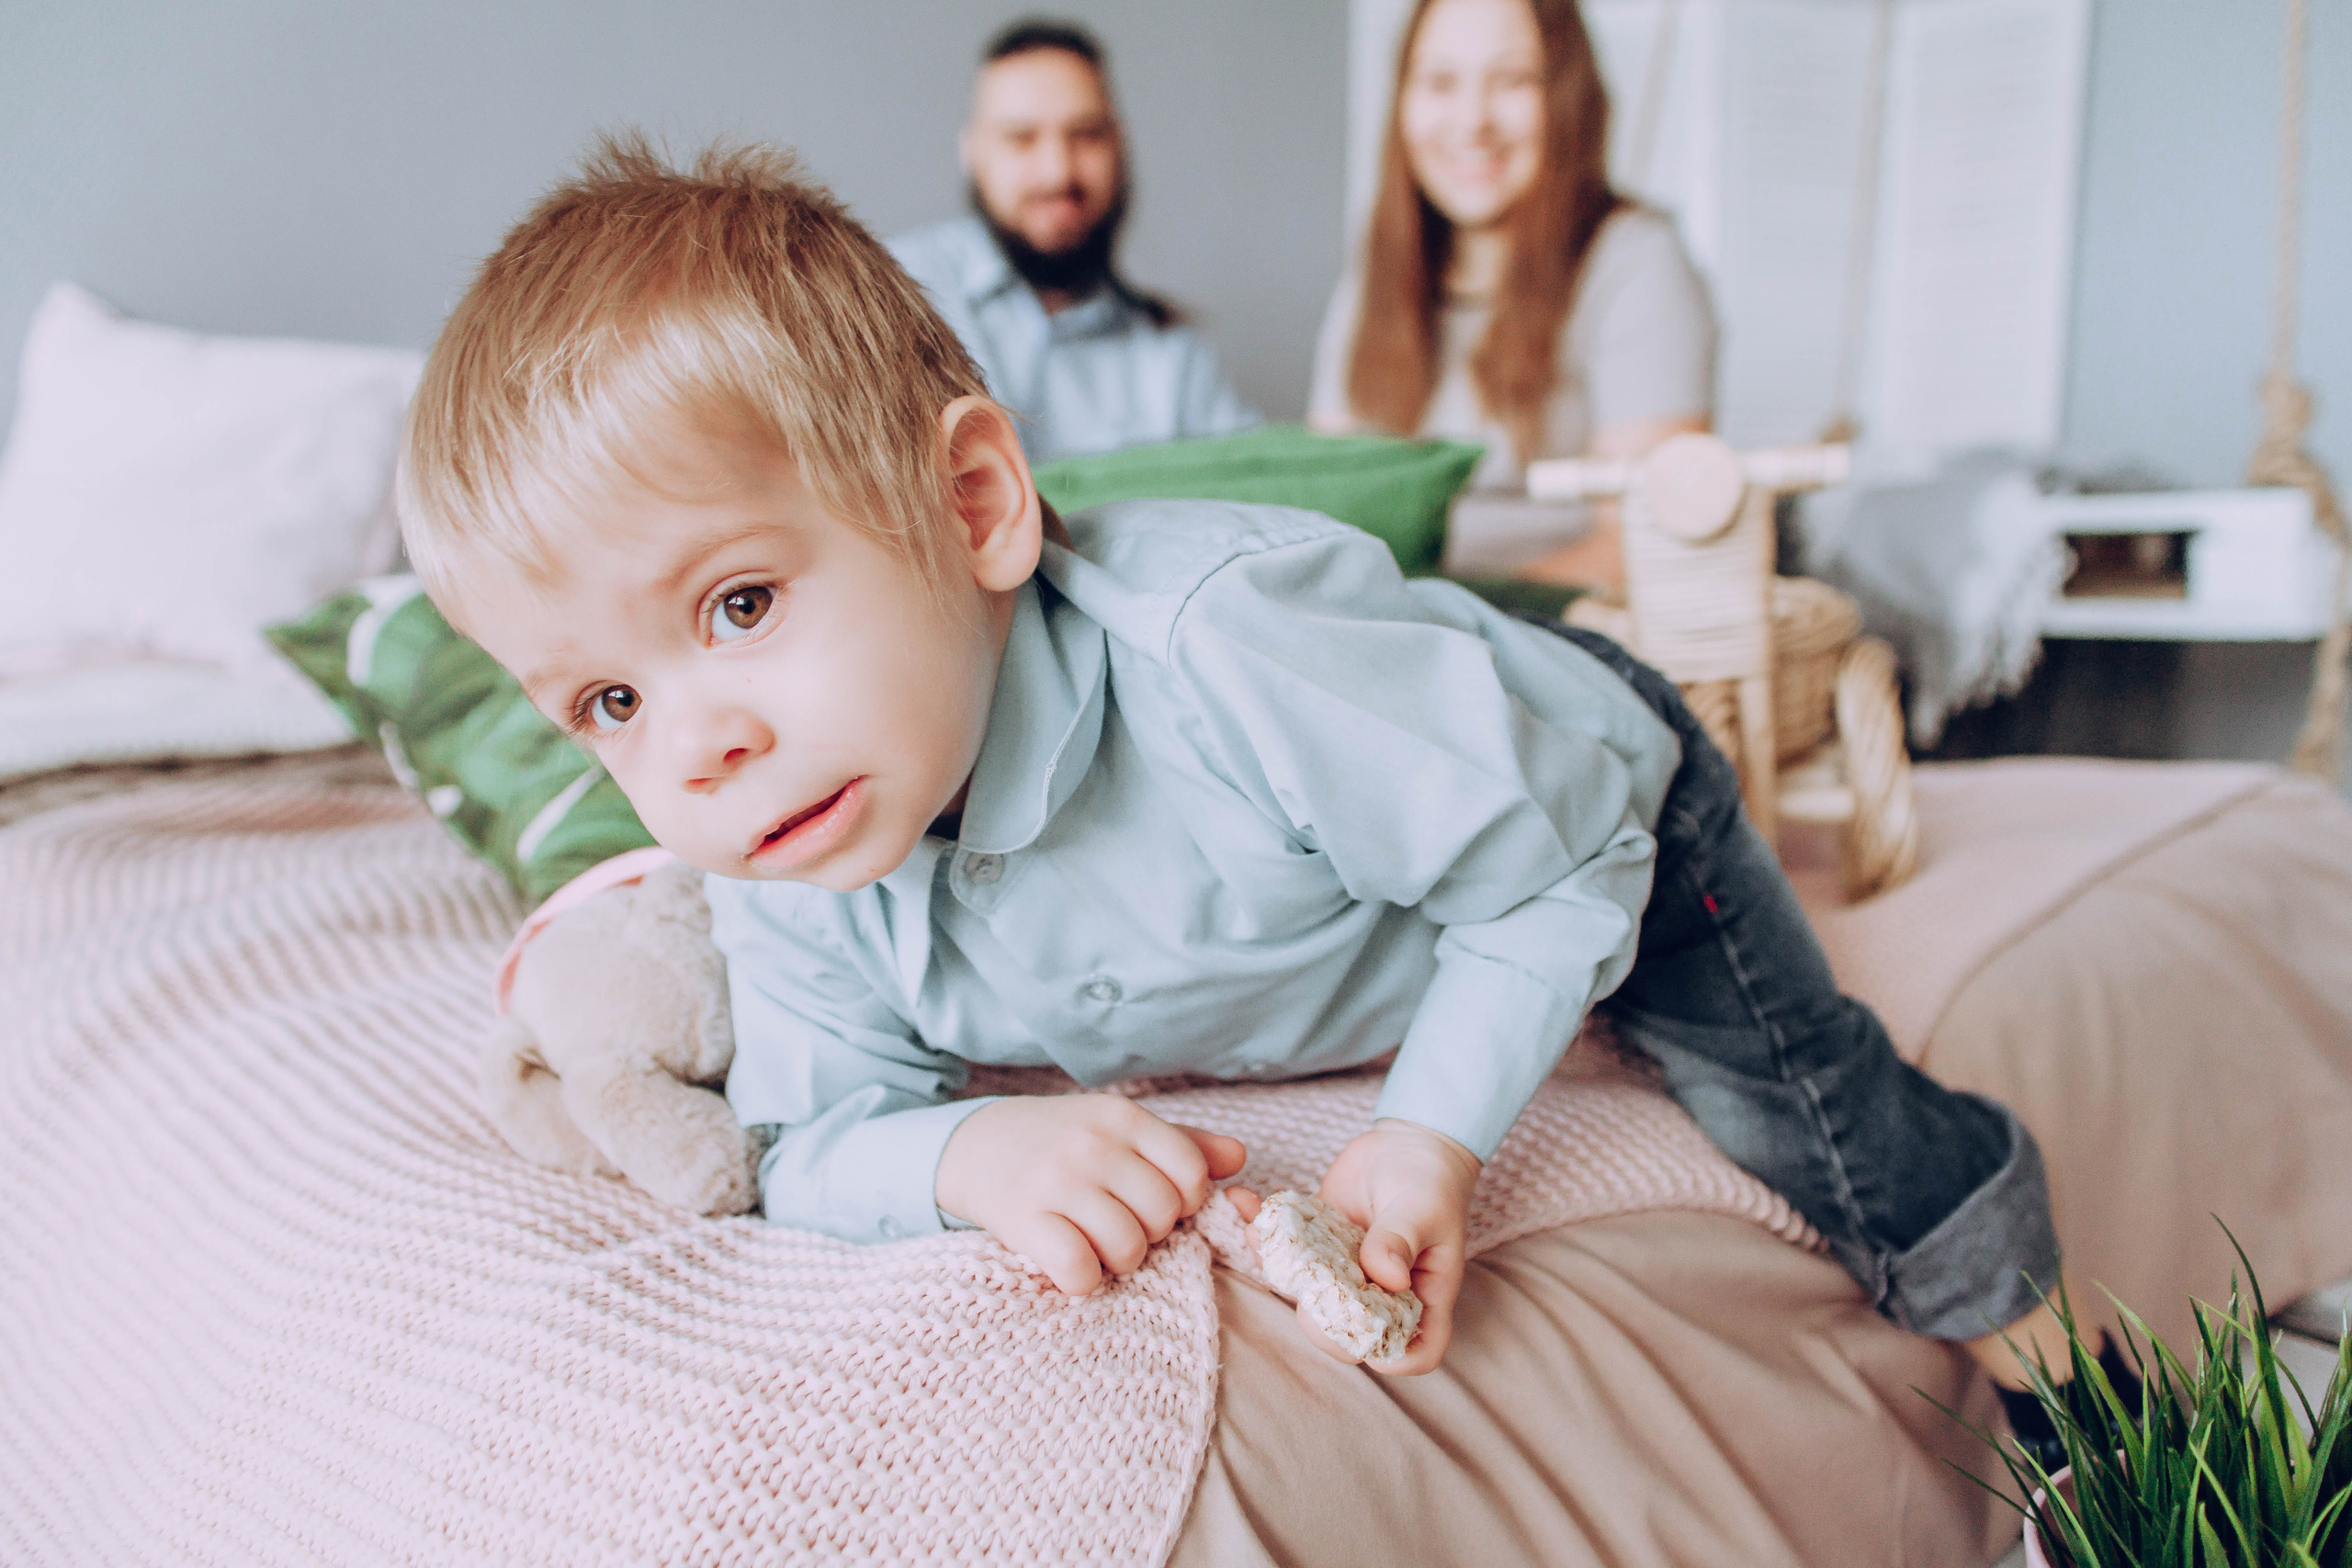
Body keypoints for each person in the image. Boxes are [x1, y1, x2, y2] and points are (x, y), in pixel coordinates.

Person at [398, 134, 2076, 1398]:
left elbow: (1559, 865)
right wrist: (963, 1157)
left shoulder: (1227, 655)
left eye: (742, 603)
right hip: (1363, 838)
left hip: (1561, 782)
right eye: (607, 700)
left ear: (975, 506)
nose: (696, 745)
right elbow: (808, 1137)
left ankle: (2048, 1354)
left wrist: (1431, 1130)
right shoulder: (789, 840)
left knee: (1803, 1104)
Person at [1309, 0, 1714, 589]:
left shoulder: (1636, 262)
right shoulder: (1375, 273)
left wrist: (1432, 617)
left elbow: (1645, 542)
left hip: (1549, 628)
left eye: (1512, 80)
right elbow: (1326, 507)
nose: (1473, 120)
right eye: (1440, 82)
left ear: (1568, 98)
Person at [888, 18, 1260, 462]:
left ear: (1119, 147)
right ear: (972, 153)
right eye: (1021, 139)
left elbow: (1260, 483)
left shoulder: (1176, 357)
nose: (1058, 172)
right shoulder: (893, 292)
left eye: (1086, 135)